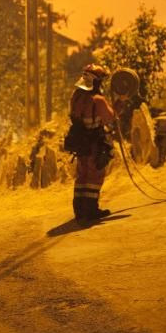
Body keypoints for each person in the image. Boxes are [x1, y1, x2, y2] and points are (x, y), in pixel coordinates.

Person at [69, 64, 115, 223]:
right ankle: (90, 210)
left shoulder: (75, 96)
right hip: (94, 143)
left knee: (82, 176)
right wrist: (120, 104)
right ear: (95, 82)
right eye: (101, 81)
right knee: (94, 177)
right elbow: (111, 119)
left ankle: (79, 210)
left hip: (80, 143)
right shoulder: (98, 100)